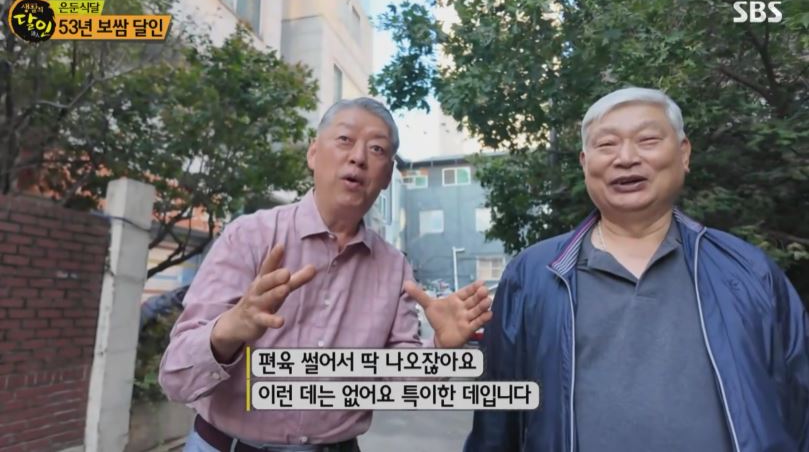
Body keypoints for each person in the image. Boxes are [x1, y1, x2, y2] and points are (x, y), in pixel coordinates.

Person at [464, 87, 809, 452]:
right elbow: (497, 419)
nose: (626, 158)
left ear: (684, 153)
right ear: (585, 163)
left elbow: (799, 405)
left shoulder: (748, 271)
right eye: (607, 145)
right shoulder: (533, 274)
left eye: (647, 140)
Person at [159, 97, 493, 452]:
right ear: (313, 153)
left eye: (377, 149)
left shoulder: (394, 267)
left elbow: (397, 383)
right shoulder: (250, 236)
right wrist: (229, 328)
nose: (359, 157)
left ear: (387, 176)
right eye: (345, 140)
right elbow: (175, 377)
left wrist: (440, 348)